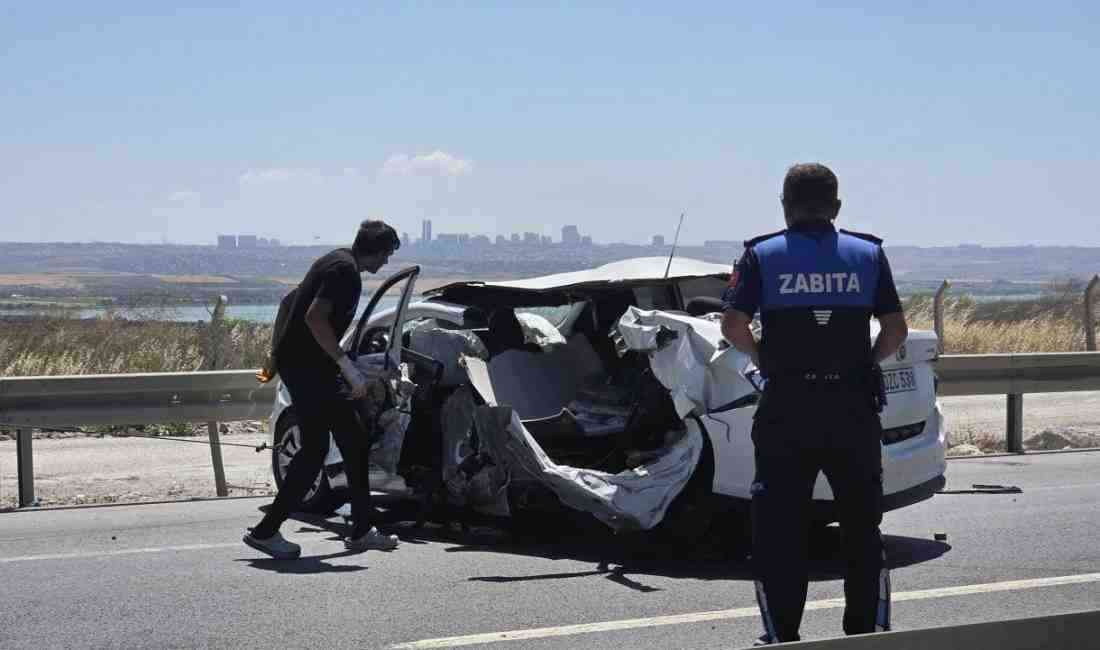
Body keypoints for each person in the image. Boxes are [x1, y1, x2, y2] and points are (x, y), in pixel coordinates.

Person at [720, 163, 908, 644]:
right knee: (862, 528)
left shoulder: (762, 254)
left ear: (784, 206)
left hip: (788, 407)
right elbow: (895, 331)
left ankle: (784, 635)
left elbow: (733, 326)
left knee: (782, 531)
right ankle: (864, 633)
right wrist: (864, 363)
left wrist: (766, 360)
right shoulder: (867, 254)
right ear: (837, 207)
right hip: (851, 406)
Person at [244, 219, 402, 559]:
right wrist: (347, 366)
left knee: (338, 444)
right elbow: (315, 317)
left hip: (305, 366)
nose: (386, 262)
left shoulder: (334, 261)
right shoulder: (345, 271)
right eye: (387, 254)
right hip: (311, 369)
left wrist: (276, 353)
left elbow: (289, 302)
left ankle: (356, 529)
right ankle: (269, 531)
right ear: (376, 249)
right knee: (342, 443)